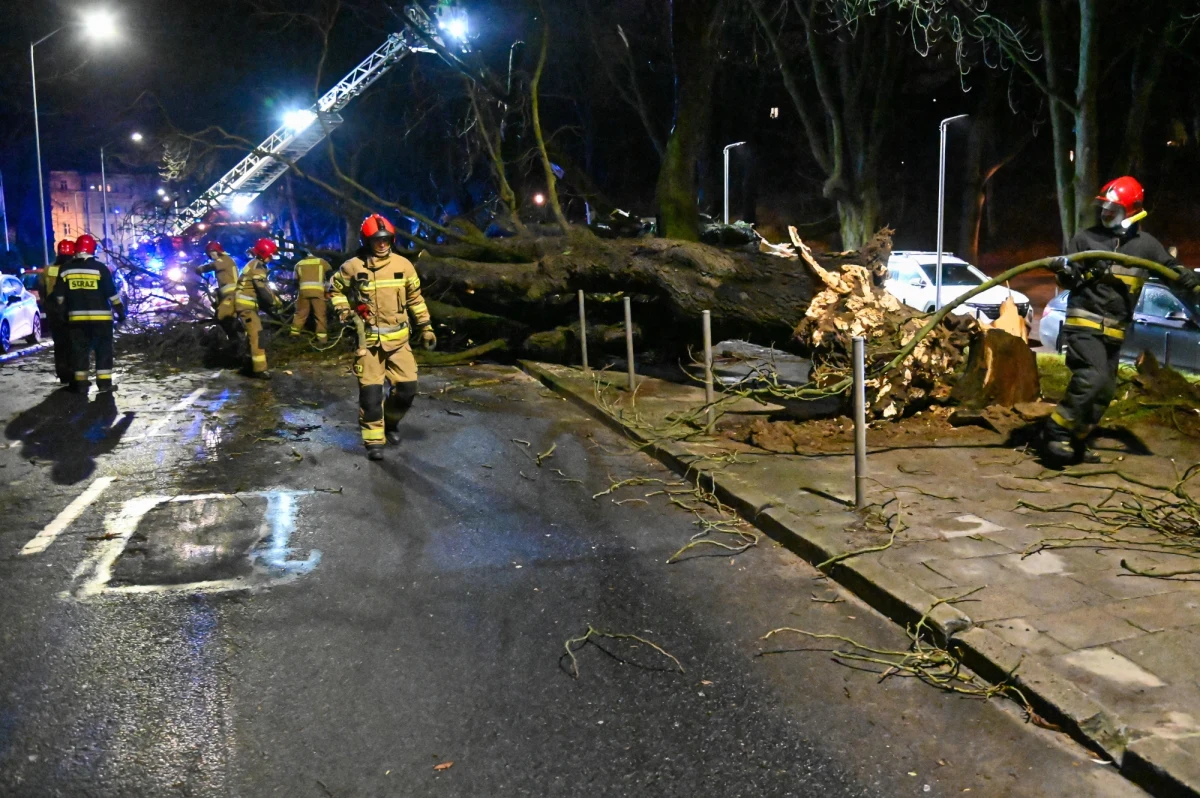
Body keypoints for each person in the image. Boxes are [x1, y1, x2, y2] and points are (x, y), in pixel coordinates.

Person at [1045, 176, 1200, 463]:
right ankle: (1055, 434)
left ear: (1132, 212)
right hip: (1085, 324)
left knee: (1104, 390)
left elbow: (1169, 268)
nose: (1105, 214)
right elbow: (1069, 279)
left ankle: (1078, 439)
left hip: (1115, 332)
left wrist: (1185, 276)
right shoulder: (1085, 239)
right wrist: (1065, 271)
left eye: (1112, 210)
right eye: (1103, 208)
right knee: (1091, 378)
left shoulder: (1146, 246)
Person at [330, 214, 436, 461]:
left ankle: (390, 423)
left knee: (408, 389)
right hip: (368, 344)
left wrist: (426, 327)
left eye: (386, 239)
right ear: (367, 241)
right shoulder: (353, 267)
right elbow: (334, 290)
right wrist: (345, 311)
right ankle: (373, 440)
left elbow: (415, 299)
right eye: (376, 240)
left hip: (399, 342)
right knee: (371, 395)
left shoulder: (404, 266)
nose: (382, 244)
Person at [50, 234, 126, 395]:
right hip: (102, 320)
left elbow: (59, 297)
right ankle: (104, 384)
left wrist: (62, 313)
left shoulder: (66, 269)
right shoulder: (100, 268)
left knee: (79, 351)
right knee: (103, 351)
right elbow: (111, 293)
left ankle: (81, 383)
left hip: (76, 320)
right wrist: (120, 311)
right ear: (93, 249)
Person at [235, 238, 283, 379]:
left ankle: (249, 365)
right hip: (246, 307)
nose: (271, 258)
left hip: (246, 306)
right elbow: (262, 289)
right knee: (257, 335)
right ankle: (259, 370)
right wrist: (275, 302)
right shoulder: (258, 267)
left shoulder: (255, 264)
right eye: (270, 255)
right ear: (264, 253)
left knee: (253, 336)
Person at [38, 239, 76, 383]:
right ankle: (74, 372)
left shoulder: (48, 269)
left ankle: (62, 373)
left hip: (54, 312)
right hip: (71, 310)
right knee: (74, 343)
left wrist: (46, 306)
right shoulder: (73, 268)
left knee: (59, 344)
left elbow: (41, 289)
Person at [194, 240, 239, 331]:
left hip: (232, 294)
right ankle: (237, 337)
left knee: (222, 315)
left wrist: (201, 269)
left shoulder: (224, 259)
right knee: (228, 319)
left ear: (216, 251)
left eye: (211, 252)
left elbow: (213, 266)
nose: (211, 255)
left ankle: (238, 337)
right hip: (229, 295)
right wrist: (218, 292)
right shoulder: (224, 261)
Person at [290, 249, 330, 343]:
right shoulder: (322, 262)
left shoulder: (298, 264)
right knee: (320, 315)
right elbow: (330, 275)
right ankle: (322, 339)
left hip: (304, 293)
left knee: (300, 314)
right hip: (318, 292)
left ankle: (294, 335)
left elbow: (295, 282)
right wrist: (327, 290)